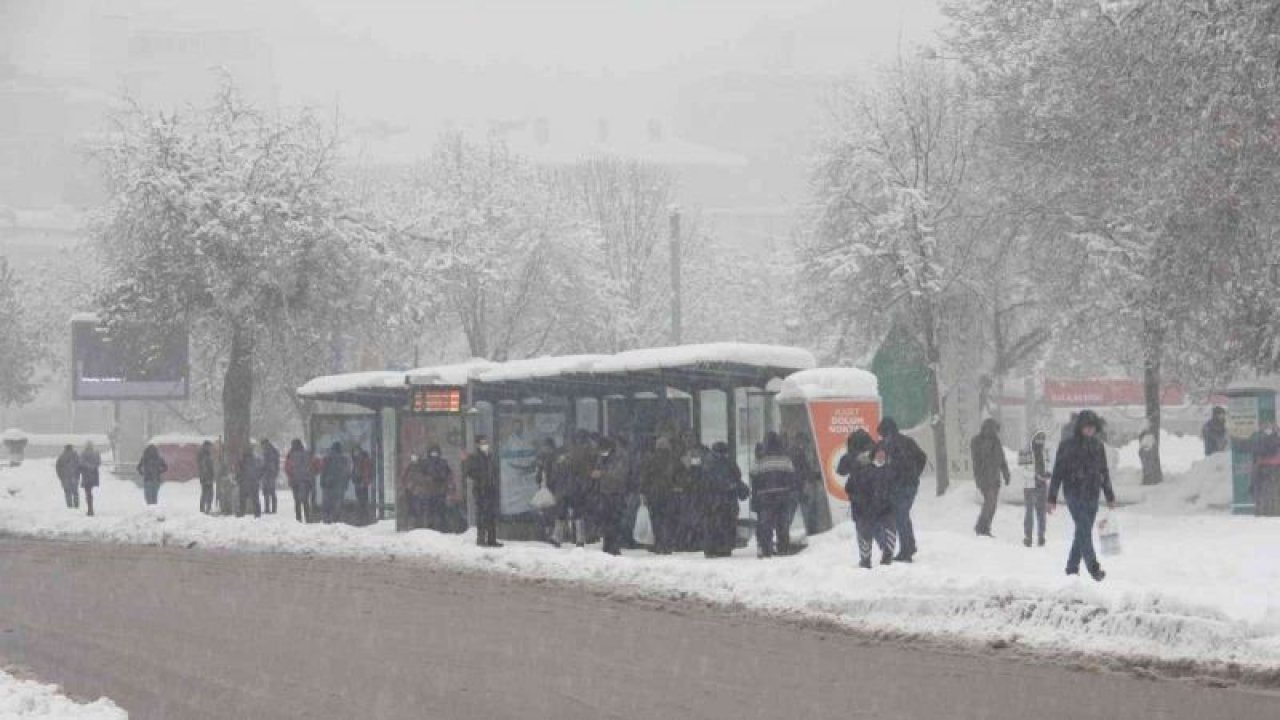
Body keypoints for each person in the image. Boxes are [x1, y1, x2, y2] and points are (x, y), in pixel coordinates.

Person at [1049, 410, 1115, 581]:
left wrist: (1109, 495)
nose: (1090, 431)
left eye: (1093, 428)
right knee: (1084, 528)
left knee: (1082, 531)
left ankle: (1072, 567)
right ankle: (1093, 567)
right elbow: (1058, 471)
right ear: (1080, 427)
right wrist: (1052, 497)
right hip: (1073, 492)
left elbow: (1103, 471)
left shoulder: (1098, 446)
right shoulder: (1067, 445)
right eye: (1087, 427)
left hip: (1092, 493)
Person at [839, 431, 896, 569]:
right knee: (886, 524)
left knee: (863, 529)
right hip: (882, 497)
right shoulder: (879, 451)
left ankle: (865, 559)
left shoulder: (851, 456)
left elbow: (841, 470)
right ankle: (888, 552)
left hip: (861, 499)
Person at [878, 418, 927, 562]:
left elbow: (885, 466)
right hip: (909, 484)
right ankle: (909, 546)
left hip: (900, 485)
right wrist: (915, 473)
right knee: (902, 515)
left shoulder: (888, 446)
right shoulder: (907, 442)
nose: (882, 437)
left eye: (882, 434)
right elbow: (922, 457)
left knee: (900, 516)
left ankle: (907, 550)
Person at [750, 432, 797, 559]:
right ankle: (783, 547)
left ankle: (766, 549)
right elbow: (792, 477)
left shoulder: (760, 459)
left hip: (766, 497)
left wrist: (755, 497)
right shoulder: (785, 459)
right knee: (782, 524)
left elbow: (754, 477)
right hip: (783, 495)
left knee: (767, 524)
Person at [701, 441, 746, 557]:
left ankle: (712, 548)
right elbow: (737, 475)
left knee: (713, 523)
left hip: (713, 499)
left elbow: (707, 481)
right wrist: (731, 486)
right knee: (725, 523)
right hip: (725, 499)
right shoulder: (726, 462)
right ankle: (723, 547)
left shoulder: (708, 462)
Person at [971, 418, 1011, 537]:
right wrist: (978, 478)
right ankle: (980, 527)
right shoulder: (977, 441)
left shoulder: (996, 441)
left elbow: (1001, 458)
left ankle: (986, 527)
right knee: (990, 501)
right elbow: (979, 459)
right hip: (983, 478)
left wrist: (1006, 473)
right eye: (994, 430)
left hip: (995, 478)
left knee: (992, 505)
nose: (995, 433)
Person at [641, 436, 680, 554]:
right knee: (668, 520)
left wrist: (643, 492)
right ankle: (667, 544)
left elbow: (645, 477)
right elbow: (679, 476)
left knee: (656, 520)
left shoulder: (651, 460)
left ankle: (658, 543)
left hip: (654, 494)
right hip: (669, 493)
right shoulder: (674, 459)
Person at [592, 437, 630, 555]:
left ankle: (614, 546)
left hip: (616, 492)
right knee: (606, 519)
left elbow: (619, 474)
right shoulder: (604, 456)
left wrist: (602, 474)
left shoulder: (620, 456)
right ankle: (607, 544)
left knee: (615, 520)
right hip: (604, 491)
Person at [464, 436, 501, 547]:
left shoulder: (490, 456)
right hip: (481, 489)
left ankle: (492, 539)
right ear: (477, 445)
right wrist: (480, 478)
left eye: (486, 443)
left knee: (491, 516)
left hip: (491, 489)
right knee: (482, 515)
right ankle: (481, 539)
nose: (485, 445)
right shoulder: (474, 457)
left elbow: (494, 471)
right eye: (482, 443)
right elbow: (469, 472)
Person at [1023, 431, 1050, 547]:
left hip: (1043, 485)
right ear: (1033, 438)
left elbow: (1048, 465)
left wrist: (1047, 474)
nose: (1041, 441)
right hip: (1030, 486)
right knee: (1029, 512)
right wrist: (1036, 475)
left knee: (1042, 512)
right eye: (1038, 438)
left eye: (1043, 439)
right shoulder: (1025, 451)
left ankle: (1041, 536)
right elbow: (1023, 471)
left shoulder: (1046, 451)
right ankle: (1028, 537)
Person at [1250, 421, 1280, 516]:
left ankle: (1263, 510)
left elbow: (1255, 453)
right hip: (1269, 468)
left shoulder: (1258, 438)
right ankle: (1269, 511)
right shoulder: (1259, 438)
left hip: (1267, 467)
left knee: (1264, 490)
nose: (1268, 428)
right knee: (1267, 490)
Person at [421, 445, 454, 531]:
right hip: (429, 491)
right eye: (432, 452)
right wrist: (427, 480)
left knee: (441, 511)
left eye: (436, 452)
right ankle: (430, 528)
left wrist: (449, 486)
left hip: (441, 490)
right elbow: (421, 475)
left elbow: (449, 474)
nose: (434, 454)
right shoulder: (425, 463)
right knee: (430, 511)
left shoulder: (443, 462)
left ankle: (441, 527)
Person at [320, 442, 351, 524]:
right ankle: (336, 520)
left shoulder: (327, 458)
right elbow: (347, 473)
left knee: (327, 505)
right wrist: (345, 484)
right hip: (339, 486)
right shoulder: (344, 460)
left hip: (328, 485)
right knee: (337, 504)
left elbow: (323, 471)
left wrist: (322, 482)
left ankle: (327, 521)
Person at [284, 439, 314, 523]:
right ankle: (308, 518)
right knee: (305, 500)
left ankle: (298, 519)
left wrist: (291, 477)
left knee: (297, 501)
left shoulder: (290, 455)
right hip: (306, 480)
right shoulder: (307, 454)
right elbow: (314, 466)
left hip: (295, 481)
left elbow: (287, 468)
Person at [236, 448, 263, 518]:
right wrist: (258, 479)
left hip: (244, 483)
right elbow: (261, 471)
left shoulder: (242, 461)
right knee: (255, 499)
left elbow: (238, 472)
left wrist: (238, 480)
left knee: (242, 499)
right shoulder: (256, 461)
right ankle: (257, 514)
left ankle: (241, 512)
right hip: (254, 483)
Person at [351, 445, 374, 525]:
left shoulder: (363, 461)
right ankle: (364, 519)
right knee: (363, 501)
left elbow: (365, 473)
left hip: (361, 483)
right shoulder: (361, 460)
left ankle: (363, 519)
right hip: (362, 483)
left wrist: (363, 482)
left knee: (362, 502)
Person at [55, 444, 80, 509]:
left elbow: (58, 467)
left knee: (67, 491)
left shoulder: (62, 456)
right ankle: (76, 505)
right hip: (74, 476)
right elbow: (79, 466)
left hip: (65, 477)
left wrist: (60, 476)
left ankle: (69, 506)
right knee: (75, 491)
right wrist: (78, 475)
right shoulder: (76, 456)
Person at [80, 442, 101, 517]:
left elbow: (81, 463)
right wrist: (93, 466)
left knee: (88, 492)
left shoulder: (83, 453)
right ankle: (90, 509)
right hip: (94, 475)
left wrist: (88, 467)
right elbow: (99, 463)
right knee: (89, 492)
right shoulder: (96, 453)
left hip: (86, 475)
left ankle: (90, 509)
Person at [260, 439, 280, 515]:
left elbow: (266, 463)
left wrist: (262, 471)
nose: (262, 447)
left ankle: (270, 509)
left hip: (269, 473)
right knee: (268, 491)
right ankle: (270, 508)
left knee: (269, 491)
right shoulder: (273, 451)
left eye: (262, 445)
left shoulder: (269, 451)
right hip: (270, 473)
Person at [197, 441, 216, 514]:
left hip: (205, 477)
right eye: (209, 447)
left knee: (206, 493)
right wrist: (208, 477)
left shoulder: (204, 454)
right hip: (206, 478)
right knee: (208, 493)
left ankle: (205, 508)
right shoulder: (204, 455)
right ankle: (205, 509)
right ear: (206, 446)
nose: (210, 448)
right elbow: (204, 467)